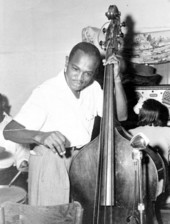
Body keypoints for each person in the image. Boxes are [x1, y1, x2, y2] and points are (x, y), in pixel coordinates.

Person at [3, 42, 127, 205]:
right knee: (51, 219)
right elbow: (9, 131)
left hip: (83, 162)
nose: (80, 78)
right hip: (50, 163)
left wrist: (116, 80)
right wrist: (40, 136)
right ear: (67, 62)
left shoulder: (93, 88)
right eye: (75, 69)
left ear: (95, 73)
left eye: (87, 73)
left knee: (80, 217)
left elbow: (121, 116)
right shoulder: (46, 92)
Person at [0, 93, 29, 191]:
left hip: (8, 174)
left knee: (21, 192)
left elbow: (23, 153)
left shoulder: (15, 126)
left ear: (3, 107)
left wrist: (23, 162)